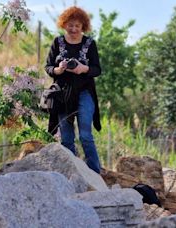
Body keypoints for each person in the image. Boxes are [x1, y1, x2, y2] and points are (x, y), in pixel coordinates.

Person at [44, 6, 102, 174]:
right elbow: (48, 67)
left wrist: (83, 68)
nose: (74, 29)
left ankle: (94, 172)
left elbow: (97, 69)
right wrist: (58, 69)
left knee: (85, 135)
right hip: (62, 95)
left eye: (77, 26)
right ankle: (71, 172)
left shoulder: (90, 43)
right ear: (64, 24)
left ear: (83, 26)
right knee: (67, 138)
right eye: (70, 25)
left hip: (85, 92)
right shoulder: (58, 42)